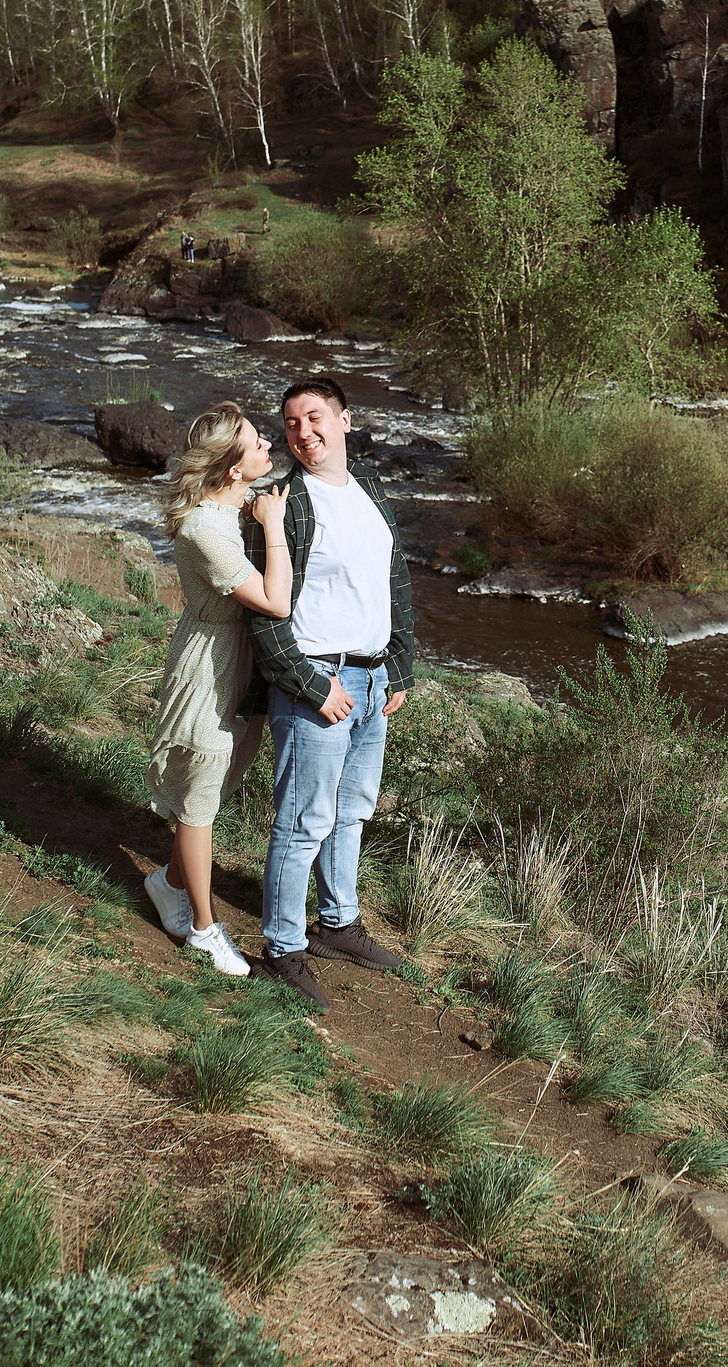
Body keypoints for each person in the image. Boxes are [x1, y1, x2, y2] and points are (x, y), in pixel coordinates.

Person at [246, 375, 413, 1011]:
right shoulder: (283, 500)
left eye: (315, 418)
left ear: (345, 420)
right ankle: (283, 949)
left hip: (372, 680)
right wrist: (312, 684)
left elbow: (394, 582)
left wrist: (398, 667)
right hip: (317, 680)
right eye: (291, 424)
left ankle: (338, 926)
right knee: (304, 819)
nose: (303, 433)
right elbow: (266, 608)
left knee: (353, 811)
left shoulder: (371, 490)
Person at [141, 401, 290, 976]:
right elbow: (274, 602)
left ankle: (167, 882)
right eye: (257, 444)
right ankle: (205, 929)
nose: (268, 448)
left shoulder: (230, 511)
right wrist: (272, 528)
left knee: (217, 783)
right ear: (233, 468)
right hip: (207, 664)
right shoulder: (206, 528)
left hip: (238, 662)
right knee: (201, 791)